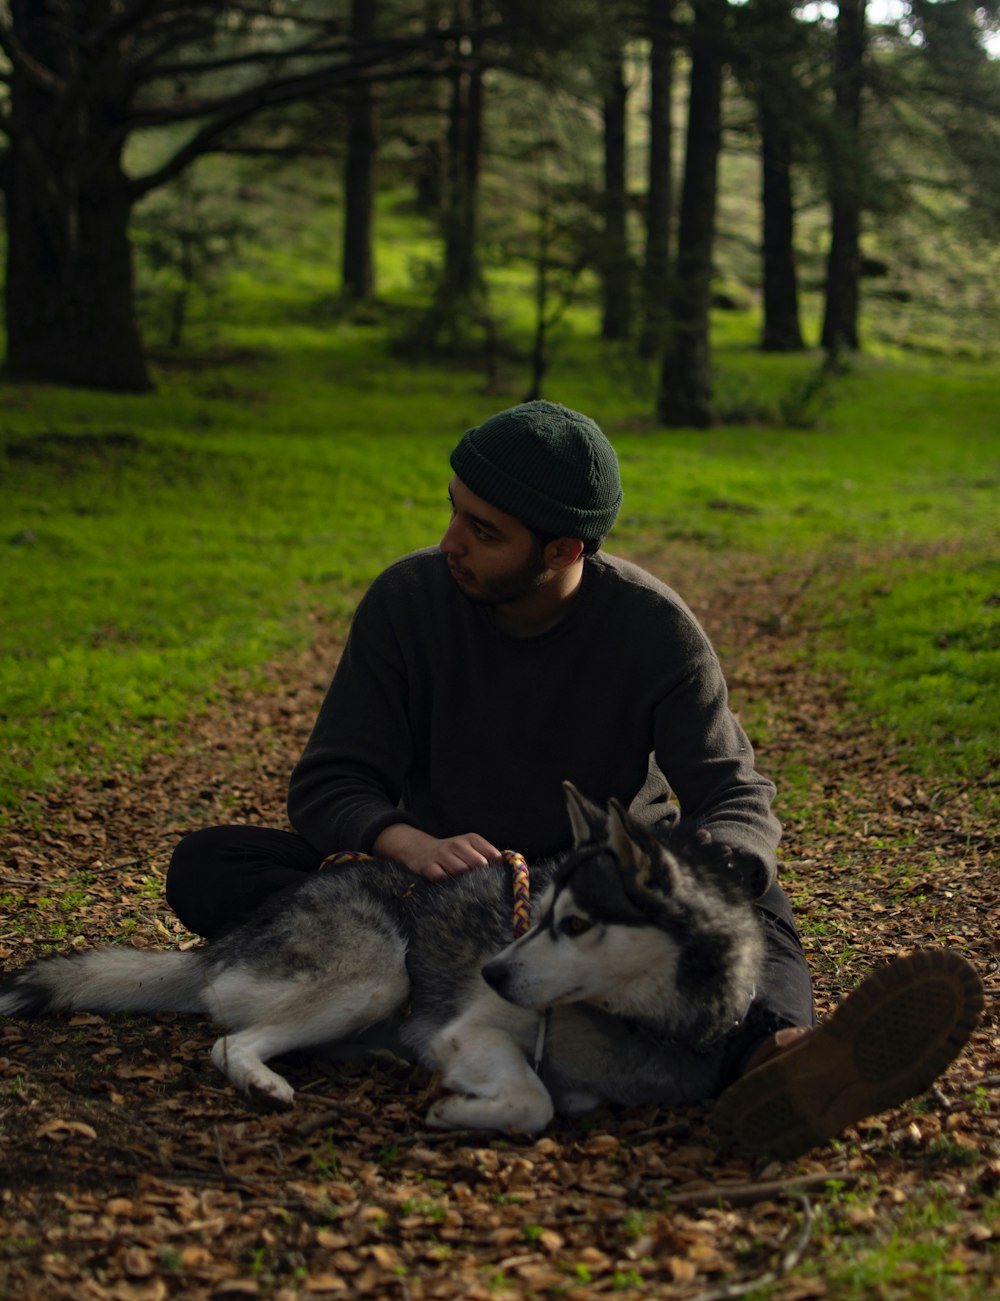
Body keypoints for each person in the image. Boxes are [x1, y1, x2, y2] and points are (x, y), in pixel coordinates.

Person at [165, 401, 982, 1160]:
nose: (451, 542)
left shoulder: (654, 629)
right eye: (453, 510)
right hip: (443, 887)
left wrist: (703, 883)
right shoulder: (407, 602)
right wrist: (404, 839)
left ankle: (782, 1059)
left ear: (562, 551)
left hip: (601, 888)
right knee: (210, 866)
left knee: (751, 904)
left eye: (483, 531)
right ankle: (407, 998)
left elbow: (733, 793)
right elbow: (331, 781)